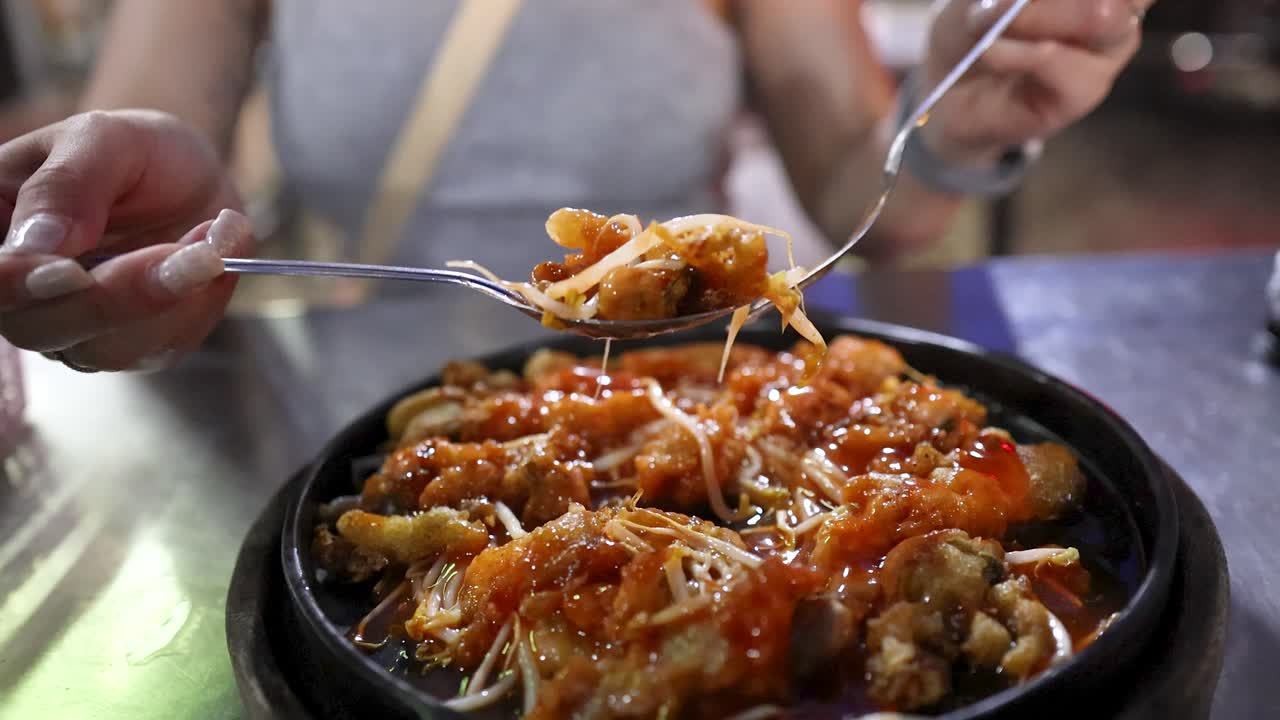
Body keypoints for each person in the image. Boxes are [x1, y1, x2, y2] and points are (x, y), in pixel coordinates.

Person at [0, 0, 1149, 372]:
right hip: (346, 409)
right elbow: (141, 163)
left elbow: (869, 190)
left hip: (701, 390)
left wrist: (951, 127)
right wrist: (123, 238)